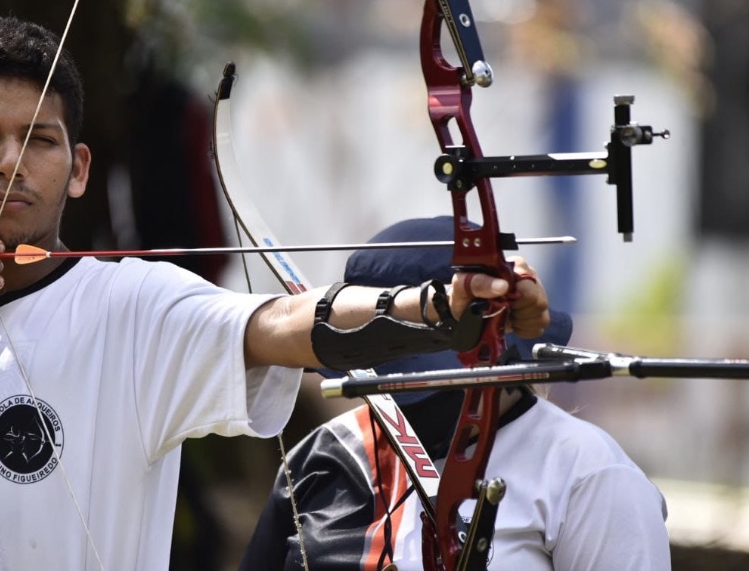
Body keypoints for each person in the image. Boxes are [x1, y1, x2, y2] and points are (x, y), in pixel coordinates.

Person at [0, 17, 550, 571]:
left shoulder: (133, 306)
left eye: (39, 140)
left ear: (79, 168)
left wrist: (442, 310)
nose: (10, 161)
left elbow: (284, 322)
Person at [239, 217, 671, 571]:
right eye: (387, 368)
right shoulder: (326, 455)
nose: (402, 396)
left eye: (423, 376)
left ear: (497, 353)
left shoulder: (584, 469)